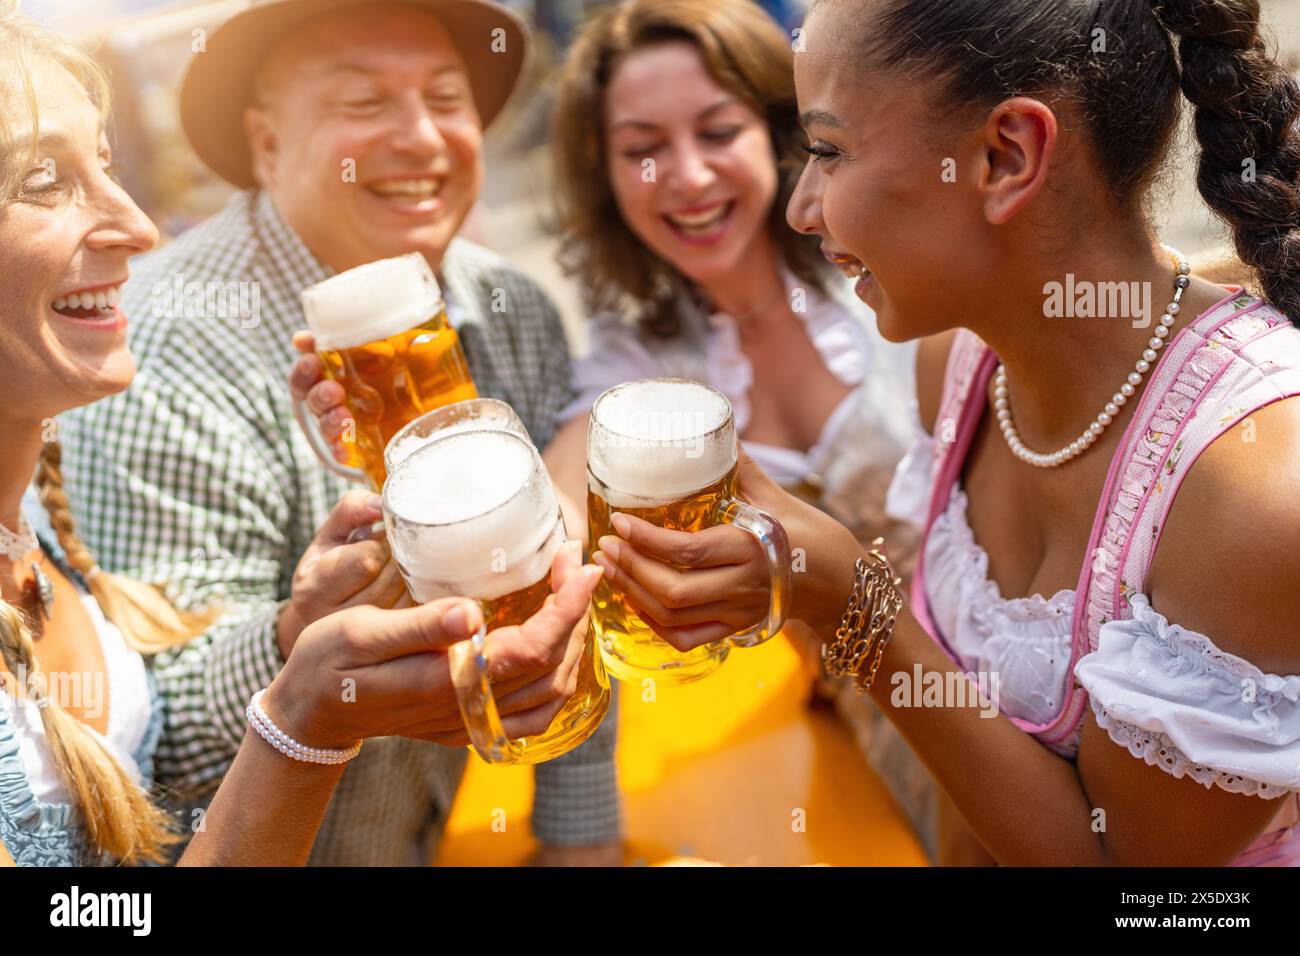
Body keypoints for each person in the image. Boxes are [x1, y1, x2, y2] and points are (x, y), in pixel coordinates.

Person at [593, 0, 1300, 865]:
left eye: (826, 151)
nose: (801, 209)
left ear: (1006, 156)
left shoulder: (1254, 493)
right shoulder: (957, 368)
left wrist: (851, 601)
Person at [0, 0, 600, 866]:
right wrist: (299, 682)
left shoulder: (515, 310)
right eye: (364, 104)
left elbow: (562, 597)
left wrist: (583, 840)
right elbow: (152, 773)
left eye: (446, 96)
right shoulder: (155, 348)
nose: (424, 139)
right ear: (267, 143)